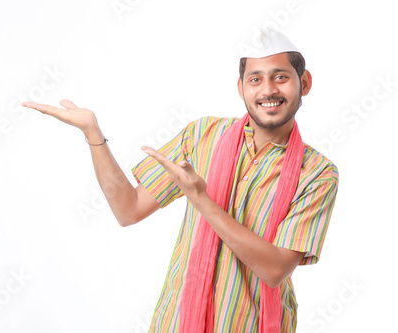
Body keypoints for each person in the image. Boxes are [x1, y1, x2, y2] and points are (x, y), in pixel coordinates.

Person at [22, 29, 338, 333]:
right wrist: (93, 134)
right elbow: (127, 209)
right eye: (256, 79)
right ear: (241, 88)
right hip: (178, 321)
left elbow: (274, 270)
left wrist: (201, 199)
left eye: (280, 77)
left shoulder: (317, 174)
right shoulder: (201, 135)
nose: (268, 90)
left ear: (304, 82)